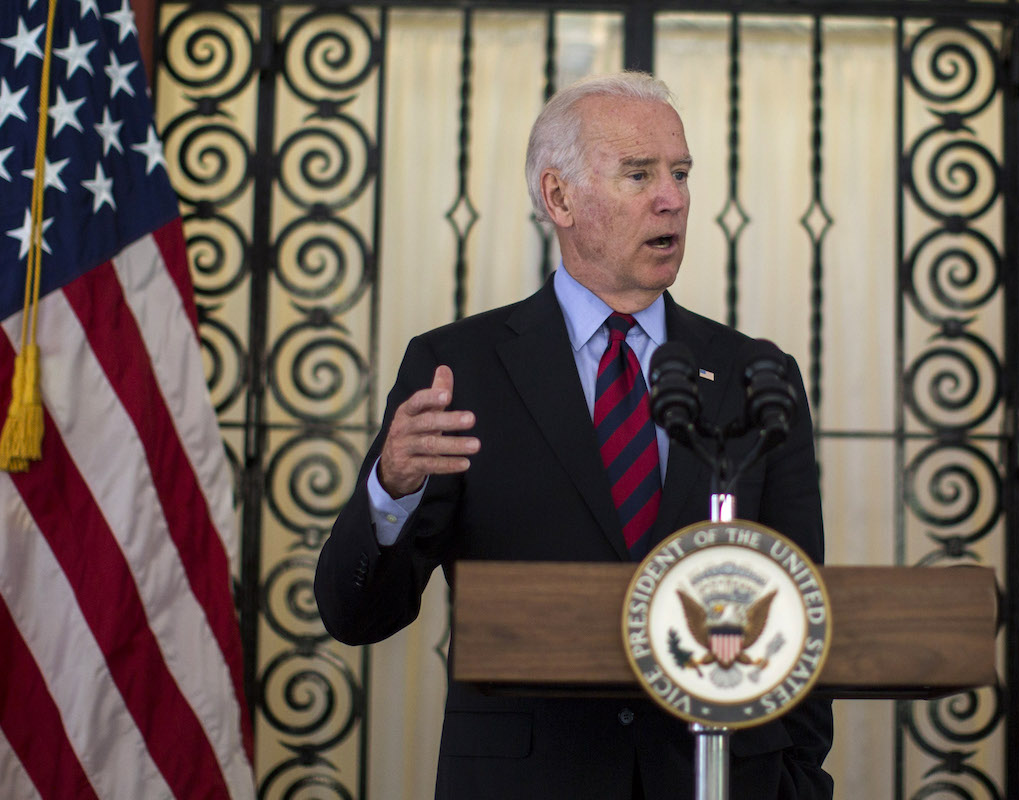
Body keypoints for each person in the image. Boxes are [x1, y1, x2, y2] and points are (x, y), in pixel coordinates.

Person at [315, 71, 833, 799]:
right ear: (558, 197)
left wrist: (800, 784)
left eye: (680, 173)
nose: (673, 198)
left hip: (715, 779)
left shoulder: (754, 375)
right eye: (639, 174)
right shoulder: (459, 369)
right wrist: (388, 490)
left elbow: (803, 610)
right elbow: (357, 613)